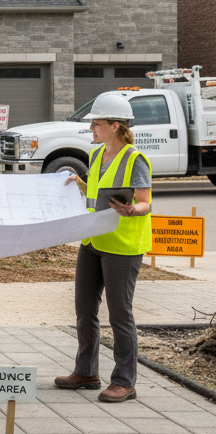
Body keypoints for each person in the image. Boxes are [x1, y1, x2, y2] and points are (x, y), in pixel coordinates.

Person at [55, 92, 152, 403]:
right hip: (93, 240)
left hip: (122, 246)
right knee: (84, 310)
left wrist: (132, 210)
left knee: (120, 314)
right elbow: (98, 191)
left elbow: (145, 202)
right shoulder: (96, 156)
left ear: (113, 125)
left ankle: (125, 381)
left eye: (95, 124)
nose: (91, 130)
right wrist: (79, 183)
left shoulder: (135, 159)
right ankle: (86, 372)